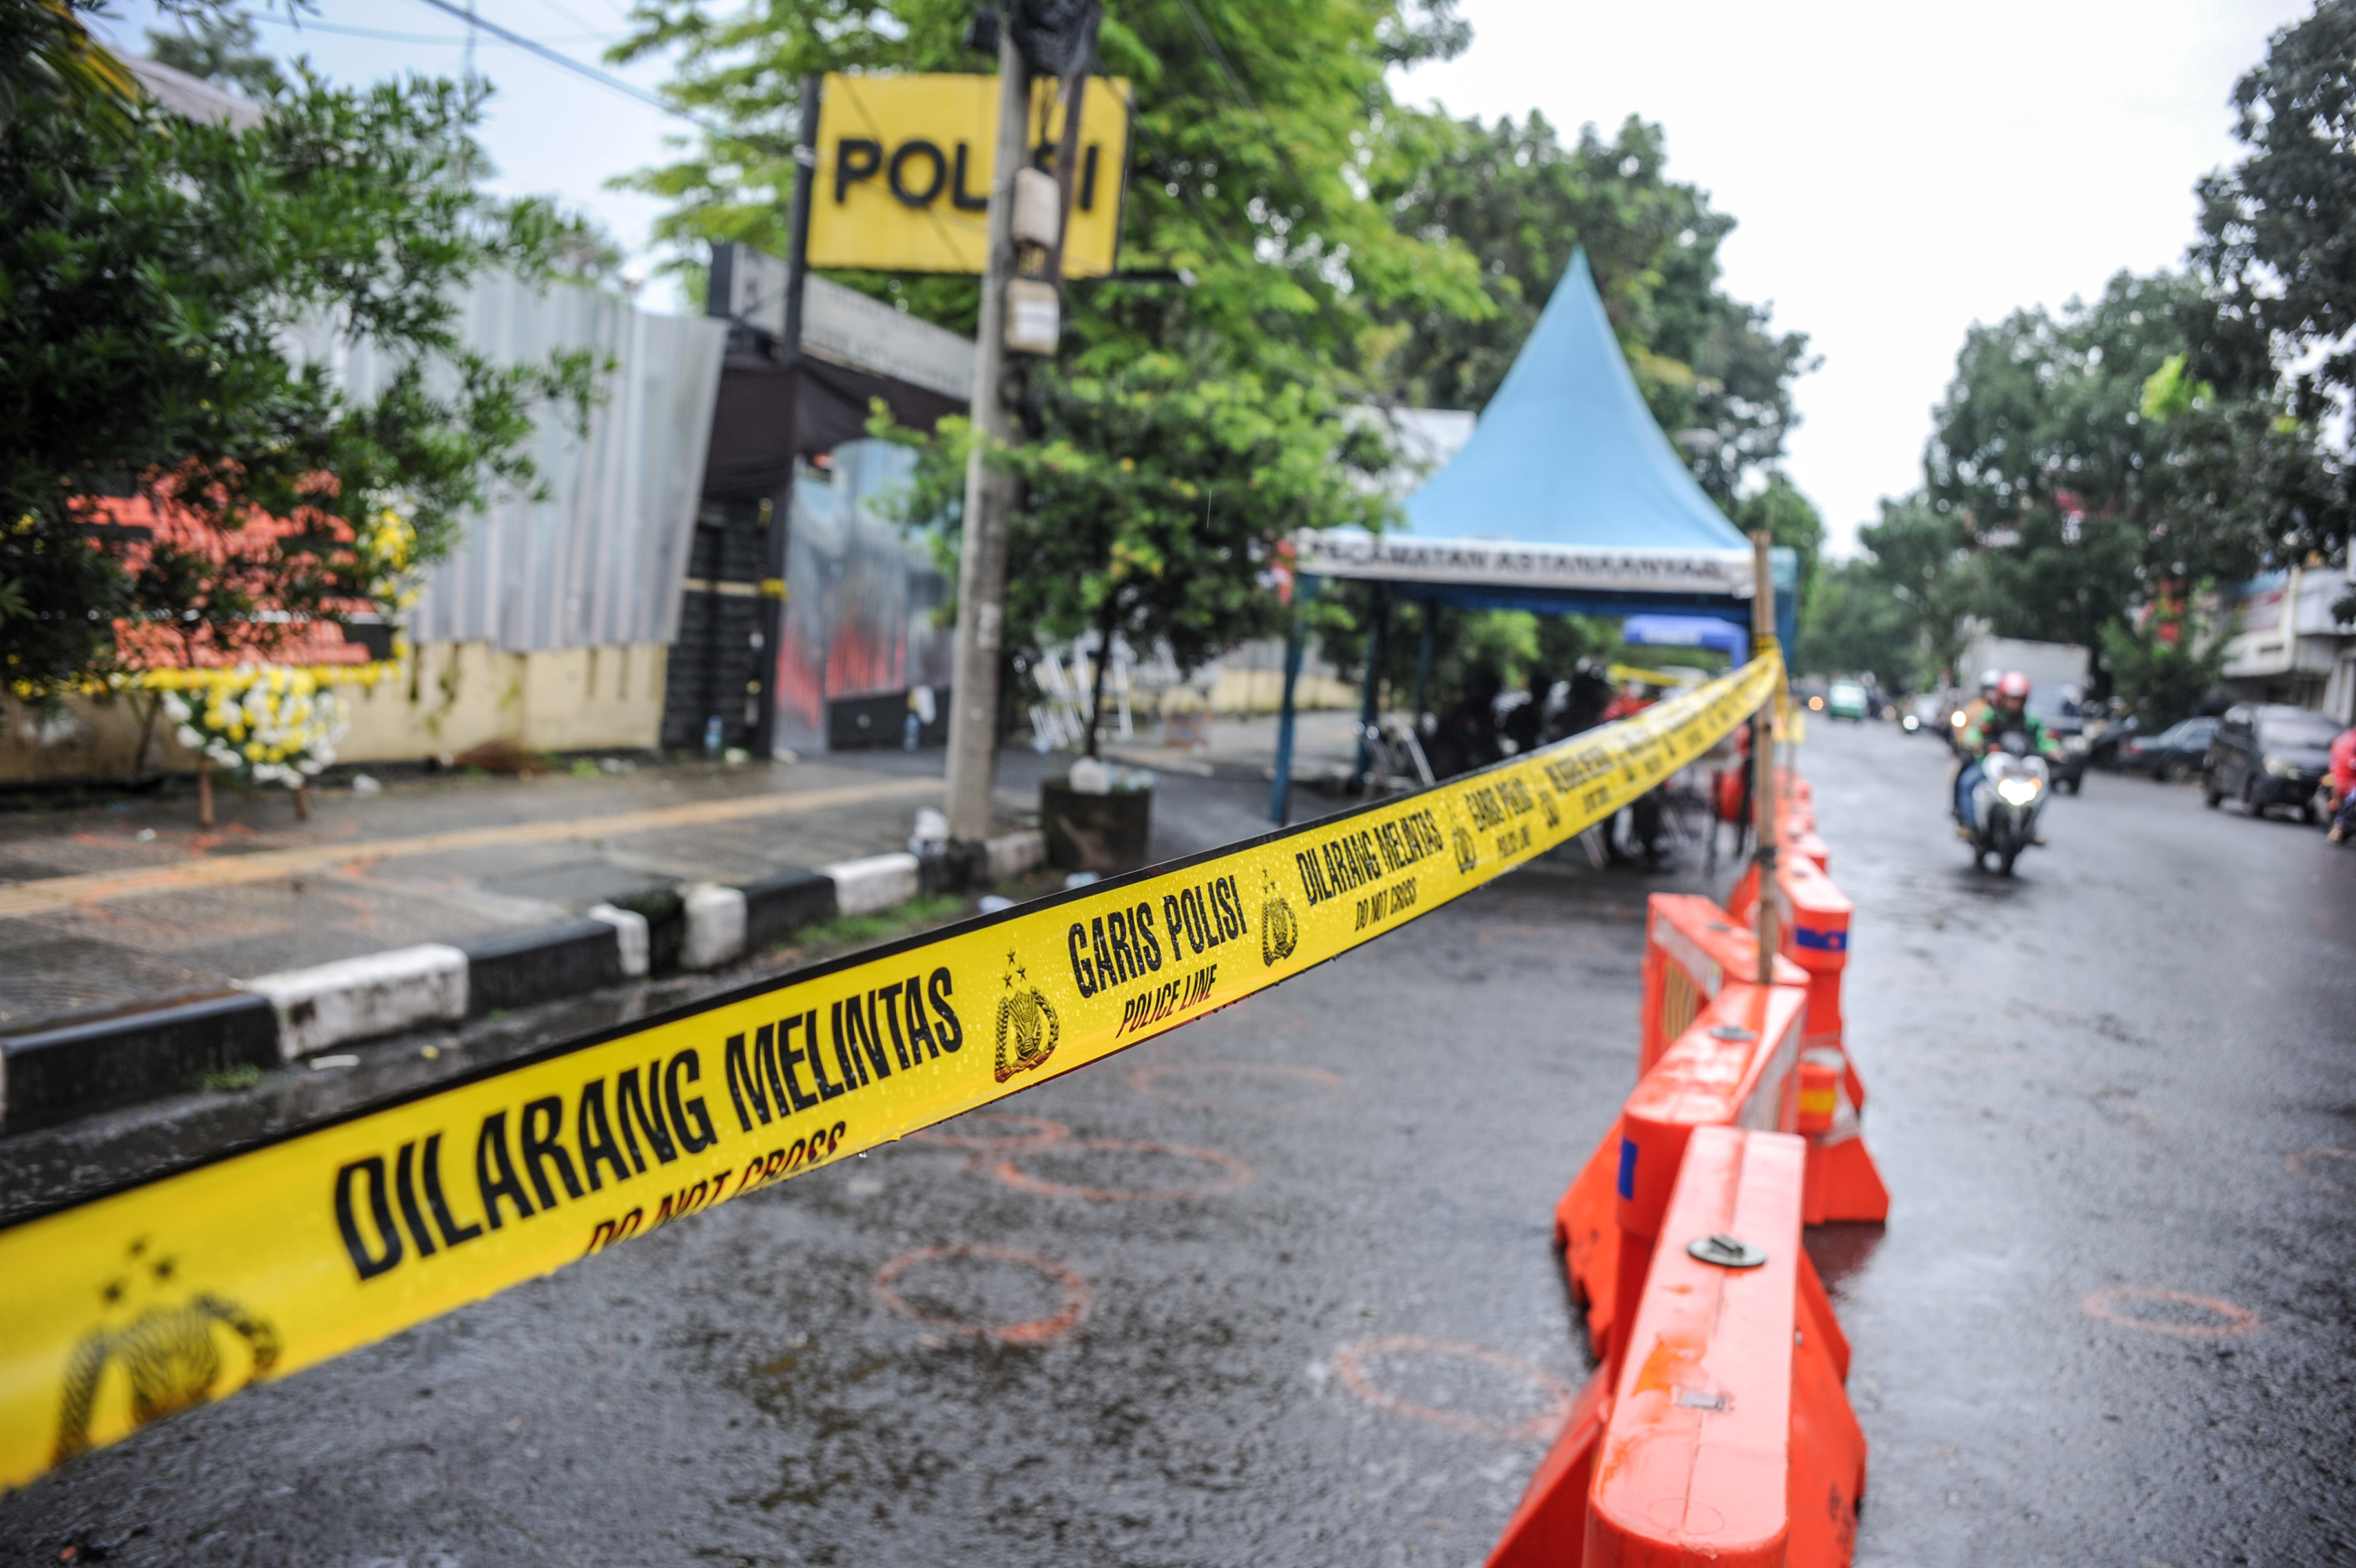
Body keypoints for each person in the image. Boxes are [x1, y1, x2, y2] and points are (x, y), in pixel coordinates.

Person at [1954, 670, 2055, 832]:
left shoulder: (2031, 720)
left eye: (2018, 699)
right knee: (1967, 782)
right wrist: (1975, 742)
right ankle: (1970, 825)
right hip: (1991, 764)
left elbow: (2045, 739)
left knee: (2045, 789)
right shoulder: (1989, 715)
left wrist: (2054, 750)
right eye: (2011, 699)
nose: (2014, 703)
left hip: (2020, 769)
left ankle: (2030, 829)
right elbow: (1974, 731)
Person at [2327, 725, 2356, 844]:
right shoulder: (2349, 740)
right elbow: (2348, 760)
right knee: (2353, 798)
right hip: (2345, 780)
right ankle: (2339, 826)